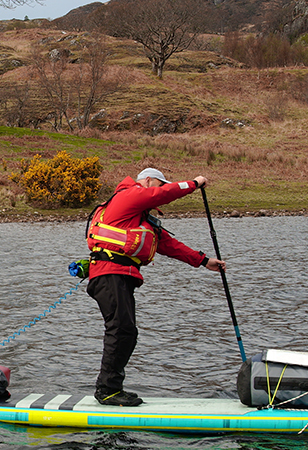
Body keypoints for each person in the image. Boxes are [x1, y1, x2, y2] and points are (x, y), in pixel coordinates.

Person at [85, 166, 225, 406]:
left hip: (119, 276)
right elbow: (161, 195)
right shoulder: (129, 195)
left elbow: (169, 245)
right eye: (160, 185)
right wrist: (194, 183)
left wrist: (203, 261)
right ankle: (107, 390)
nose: (158, 194)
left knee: (127, 332)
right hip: (109, 274)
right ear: (148, 181)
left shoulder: (139, 217)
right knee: (121, 330)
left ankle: (111, 387)